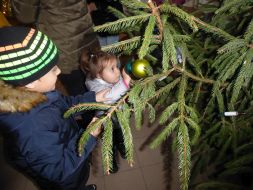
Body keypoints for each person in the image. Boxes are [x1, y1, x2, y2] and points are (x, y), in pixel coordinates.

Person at [0, 26, 109, 190]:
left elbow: (64, 104)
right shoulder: (32, 128)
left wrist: (93, 98)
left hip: (68, 145)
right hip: (66, 181)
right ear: (30, 81)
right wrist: (89, 136)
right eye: (52, 69)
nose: (59, 71)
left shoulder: (39, 92)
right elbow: (60, 170)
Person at [11, 0, 100, 96]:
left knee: (80, 93)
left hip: (66, 47)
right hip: (86, 35)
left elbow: (25, 16)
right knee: (98, 82)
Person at [80, 50, 131, 173]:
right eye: (112, 69)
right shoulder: (92, 84)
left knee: (121, 134)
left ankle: (123, 148)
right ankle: (111, 162)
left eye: (117, 67)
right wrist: (125, 81)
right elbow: (110, 96)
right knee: (109, 141)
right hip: (106, 120)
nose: (118, 71)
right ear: (98, 75)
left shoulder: (112, 77)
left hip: (120, 114)